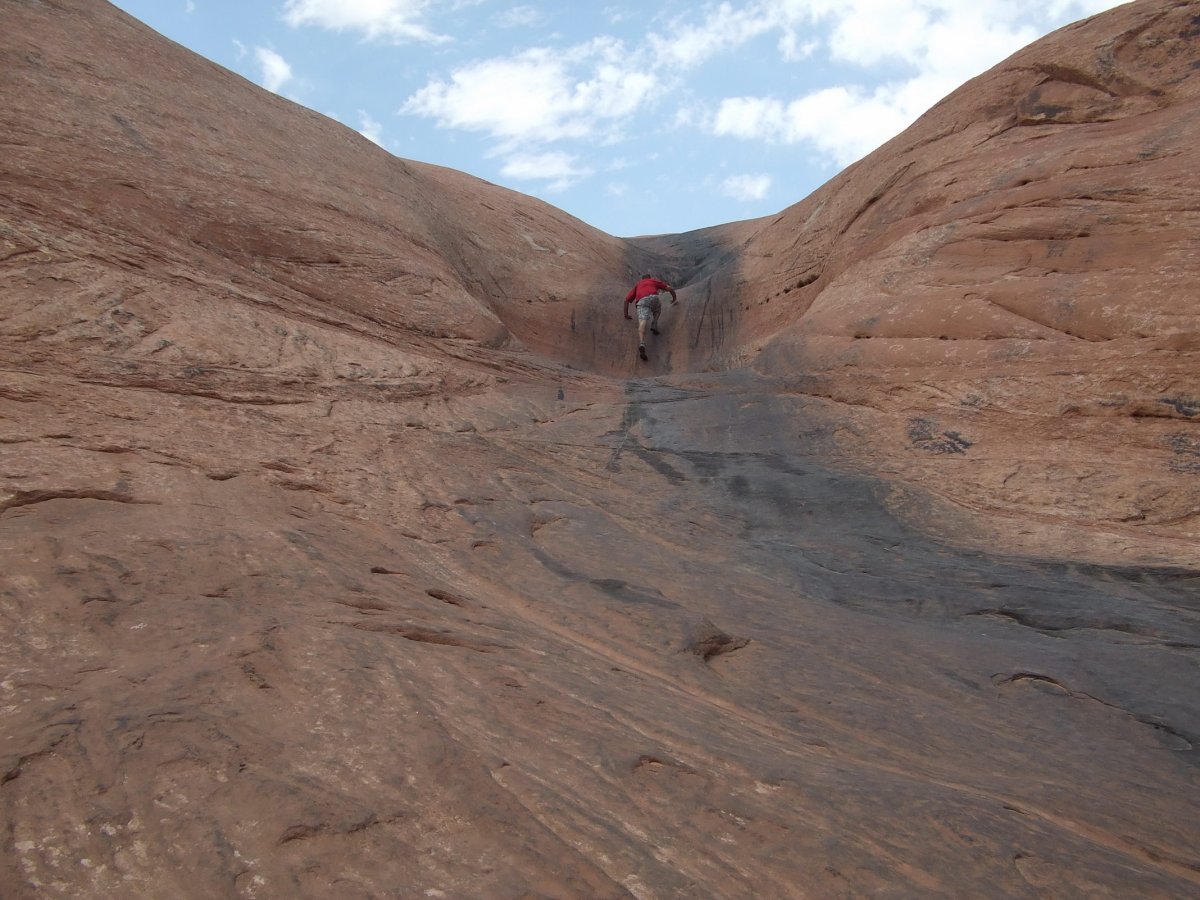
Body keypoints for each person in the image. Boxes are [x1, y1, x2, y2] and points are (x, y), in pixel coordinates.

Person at [624, 274, 678, 360]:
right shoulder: (653, 281)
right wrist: (674, 298)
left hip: (642, 302)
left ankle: (642, 342)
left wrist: (626, 314)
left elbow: (626, 300)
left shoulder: (638, 284)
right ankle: (654, 322)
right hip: (654, 298)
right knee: (657, 309)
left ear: (642, 279)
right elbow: (670, 288)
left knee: (642, 321)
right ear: (649, 278)